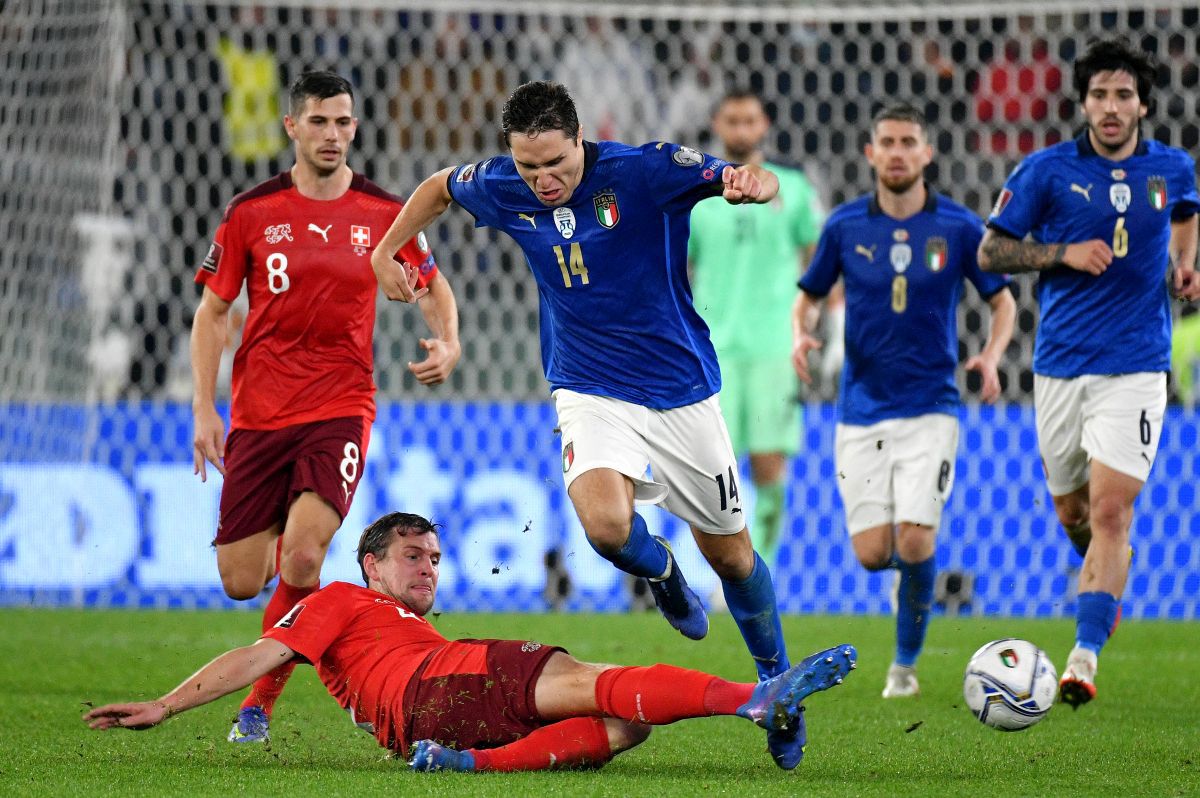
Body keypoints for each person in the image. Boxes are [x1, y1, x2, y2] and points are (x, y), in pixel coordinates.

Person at [370, 81, 810, 768]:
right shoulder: (502, 183)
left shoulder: (644, 170)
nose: (543, 180)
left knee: (731, 556)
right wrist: (385, 251)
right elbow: (437, 188)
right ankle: (663, 572)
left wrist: (747, 182)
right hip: (587, 385)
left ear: (581, 140)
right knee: (605, 527)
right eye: (529, 166)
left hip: (680, 390)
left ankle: (777, 685)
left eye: (557, 163)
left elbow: (731, 175)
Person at [82, 512, 858, 773]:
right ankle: (756, 700)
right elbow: (264, 653)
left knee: (629, 725)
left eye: (435, 558)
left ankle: (471, 765)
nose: (428, 568)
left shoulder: (396, 626)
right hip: (439, 683)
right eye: (412, 557)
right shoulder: (343, 599)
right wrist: (166, 705)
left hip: (425, 721)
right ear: (371, 565)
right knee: (586, 676)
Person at [190, 69, 461, 744]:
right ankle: (285, 543)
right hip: (259, 412)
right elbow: (214, 311)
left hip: (340, 405)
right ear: (292, 127)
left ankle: (256, 706)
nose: (332, 134)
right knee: (240, 581)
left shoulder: (383, 213)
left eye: (343, 122)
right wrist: (203, 407)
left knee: (304, 560)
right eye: (318, 121)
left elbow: (434, 287)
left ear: (355, 127)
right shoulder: (252, 212)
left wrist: (448, 341)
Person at [977, 38, 1200, 707]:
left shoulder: (1172, 167)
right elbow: (991, 252)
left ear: (1142, 105)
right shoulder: (1047, 171)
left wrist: (1186, 265)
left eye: (1123, 95)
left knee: (1109, 510)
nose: (1110, 107)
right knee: (1073, 511)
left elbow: (1186, 214)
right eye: (1099, 94)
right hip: (1060, 366)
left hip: (1137, 364)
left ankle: (1083, 656)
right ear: (1082, 102)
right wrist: (1062, 253)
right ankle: (1109, 569)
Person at [793, 103, 1016, 699]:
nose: (896, 152)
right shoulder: (845, 226)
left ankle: (905, 666)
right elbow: (808, 296)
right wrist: (801, 334)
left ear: (926, 153)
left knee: (915, 539)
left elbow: (1003, 301)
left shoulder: (959, 226)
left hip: (931, 406)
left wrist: (991, 355)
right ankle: (914, 582)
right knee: (873, 555)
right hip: (861, 409)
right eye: (887, 142)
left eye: (907, 142)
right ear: (870, 153)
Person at [688, 89, 824, 573]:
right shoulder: (698, 195)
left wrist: (817, 318)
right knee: (711, 468)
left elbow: (818, 259)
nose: (742, 130)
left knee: (769, 464)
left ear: (764, 124)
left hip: (774, 348)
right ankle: (722, 568)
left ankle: (759, 567)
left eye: (750, 120)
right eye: (733, 120)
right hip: (714, 349)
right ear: (717, 125)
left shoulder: (794, 188)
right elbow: (680, 266)